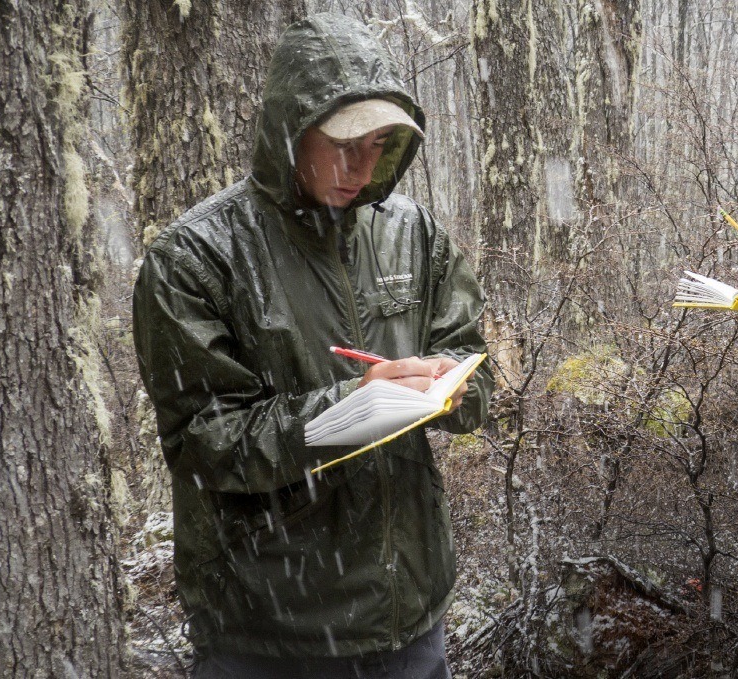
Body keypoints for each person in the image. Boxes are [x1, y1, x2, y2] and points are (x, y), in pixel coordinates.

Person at [132, 13, 492, 678]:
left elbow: (474, 357)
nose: (364, 166)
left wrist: (454, 387)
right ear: (290, 132)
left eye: (381, 144)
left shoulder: (410, 233)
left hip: (409, 610)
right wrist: (345, 410)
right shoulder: (197, 257)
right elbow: (204, 441)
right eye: (346, 144)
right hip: (272, 630)